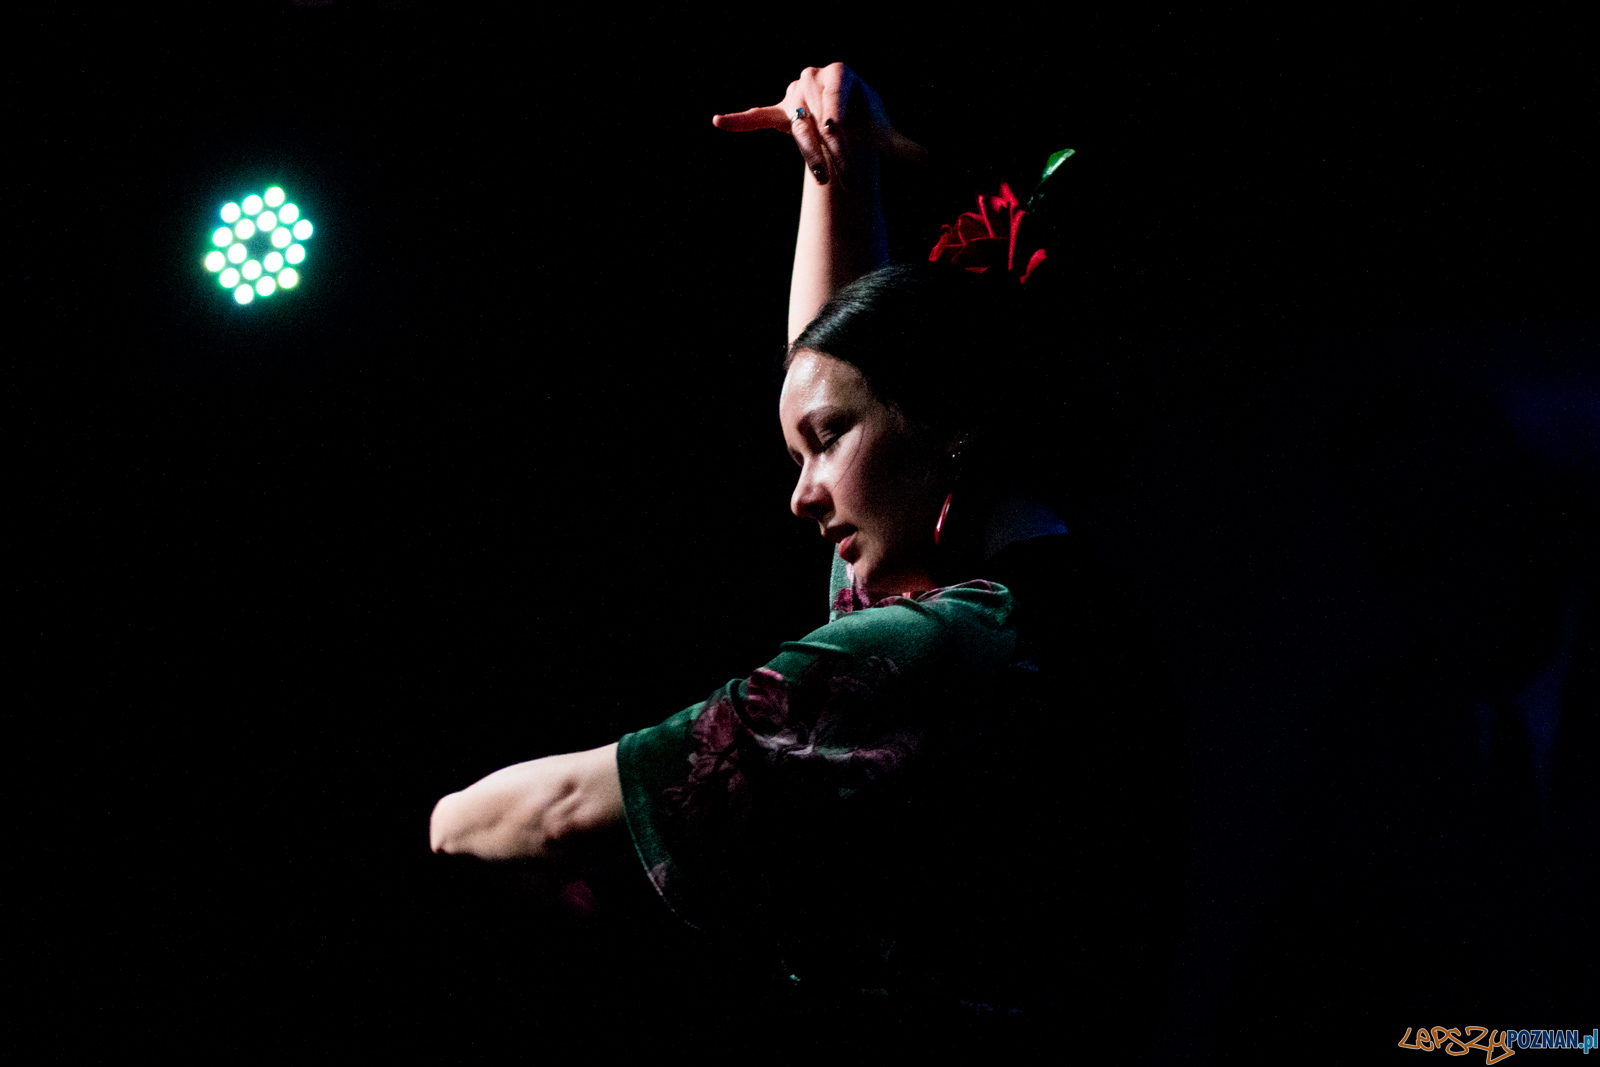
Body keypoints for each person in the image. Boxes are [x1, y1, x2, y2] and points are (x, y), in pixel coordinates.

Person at [430, 63, 1186, 1050]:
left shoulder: (939, 651)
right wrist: (837, 167)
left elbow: (544, 810)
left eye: (822, 446)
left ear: (942, 424)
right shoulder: (1056, 600)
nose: (799, 493)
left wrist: (453, 821)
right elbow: (845, 374)